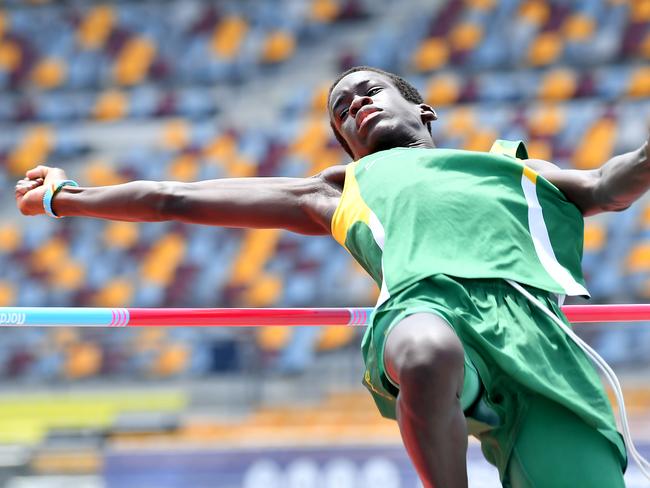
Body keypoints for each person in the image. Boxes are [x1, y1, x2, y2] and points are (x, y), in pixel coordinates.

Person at [15, 65, 649, 487]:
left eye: (368, 91)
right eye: (342, 111)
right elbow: (174, 198)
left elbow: (608, 185)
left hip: (542, 347)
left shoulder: (514, 168)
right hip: (429, 314)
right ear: (345, 146)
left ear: (423, 109)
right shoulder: (341, 188)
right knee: (424, 352)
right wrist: (67, 196)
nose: (355, 106)